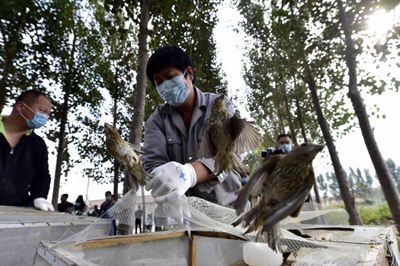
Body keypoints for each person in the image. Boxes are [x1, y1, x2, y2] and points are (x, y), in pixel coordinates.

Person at [142, 45, 247, 211]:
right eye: (159, 83)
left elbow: (226, 153)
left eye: (170, 77)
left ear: (189, 74)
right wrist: (165, 185)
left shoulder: (219, 106)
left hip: (229, 210)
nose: (166, 86)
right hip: (182, 216)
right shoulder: (156, 121)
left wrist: (189, 174)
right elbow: (152, 164)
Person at [0, 90, 53, 211]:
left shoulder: (38, 145)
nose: (45, 117)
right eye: (43, 111)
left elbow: (42, 176)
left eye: (48, 114)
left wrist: (39, 196)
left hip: (14, 215)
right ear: (21, 106)